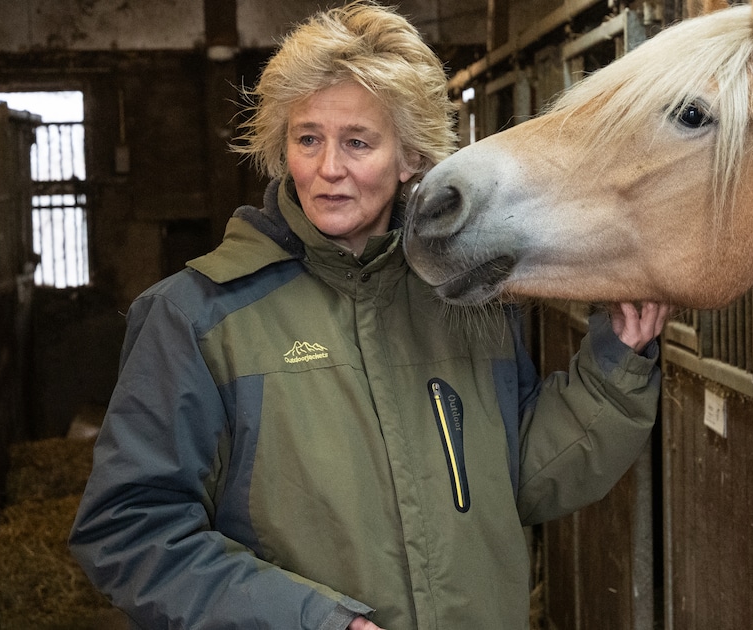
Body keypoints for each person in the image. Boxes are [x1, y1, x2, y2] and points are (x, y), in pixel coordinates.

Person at [68, 2, 672, 628]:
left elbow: (521, 479)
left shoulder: (462, 300)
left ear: (410, 157)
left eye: (358, 142)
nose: (329, 168)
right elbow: (129, 530)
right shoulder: (197, 318)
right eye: (308, 139)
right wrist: (312, 622)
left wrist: (614, 366)